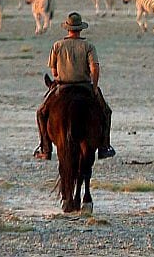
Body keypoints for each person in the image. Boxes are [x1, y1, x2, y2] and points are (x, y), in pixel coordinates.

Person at [35, 12, 115, 160]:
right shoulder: (88, 46)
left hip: (62, 86)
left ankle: (45, 148)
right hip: (85, 86)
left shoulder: (57, 45)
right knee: (106, 112)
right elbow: (95, 69)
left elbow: (53, 71)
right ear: (80, 29)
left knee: (41, 112)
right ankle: (104, 147)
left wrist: (60, 76)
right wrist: (95, 87)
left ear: (67, 28)